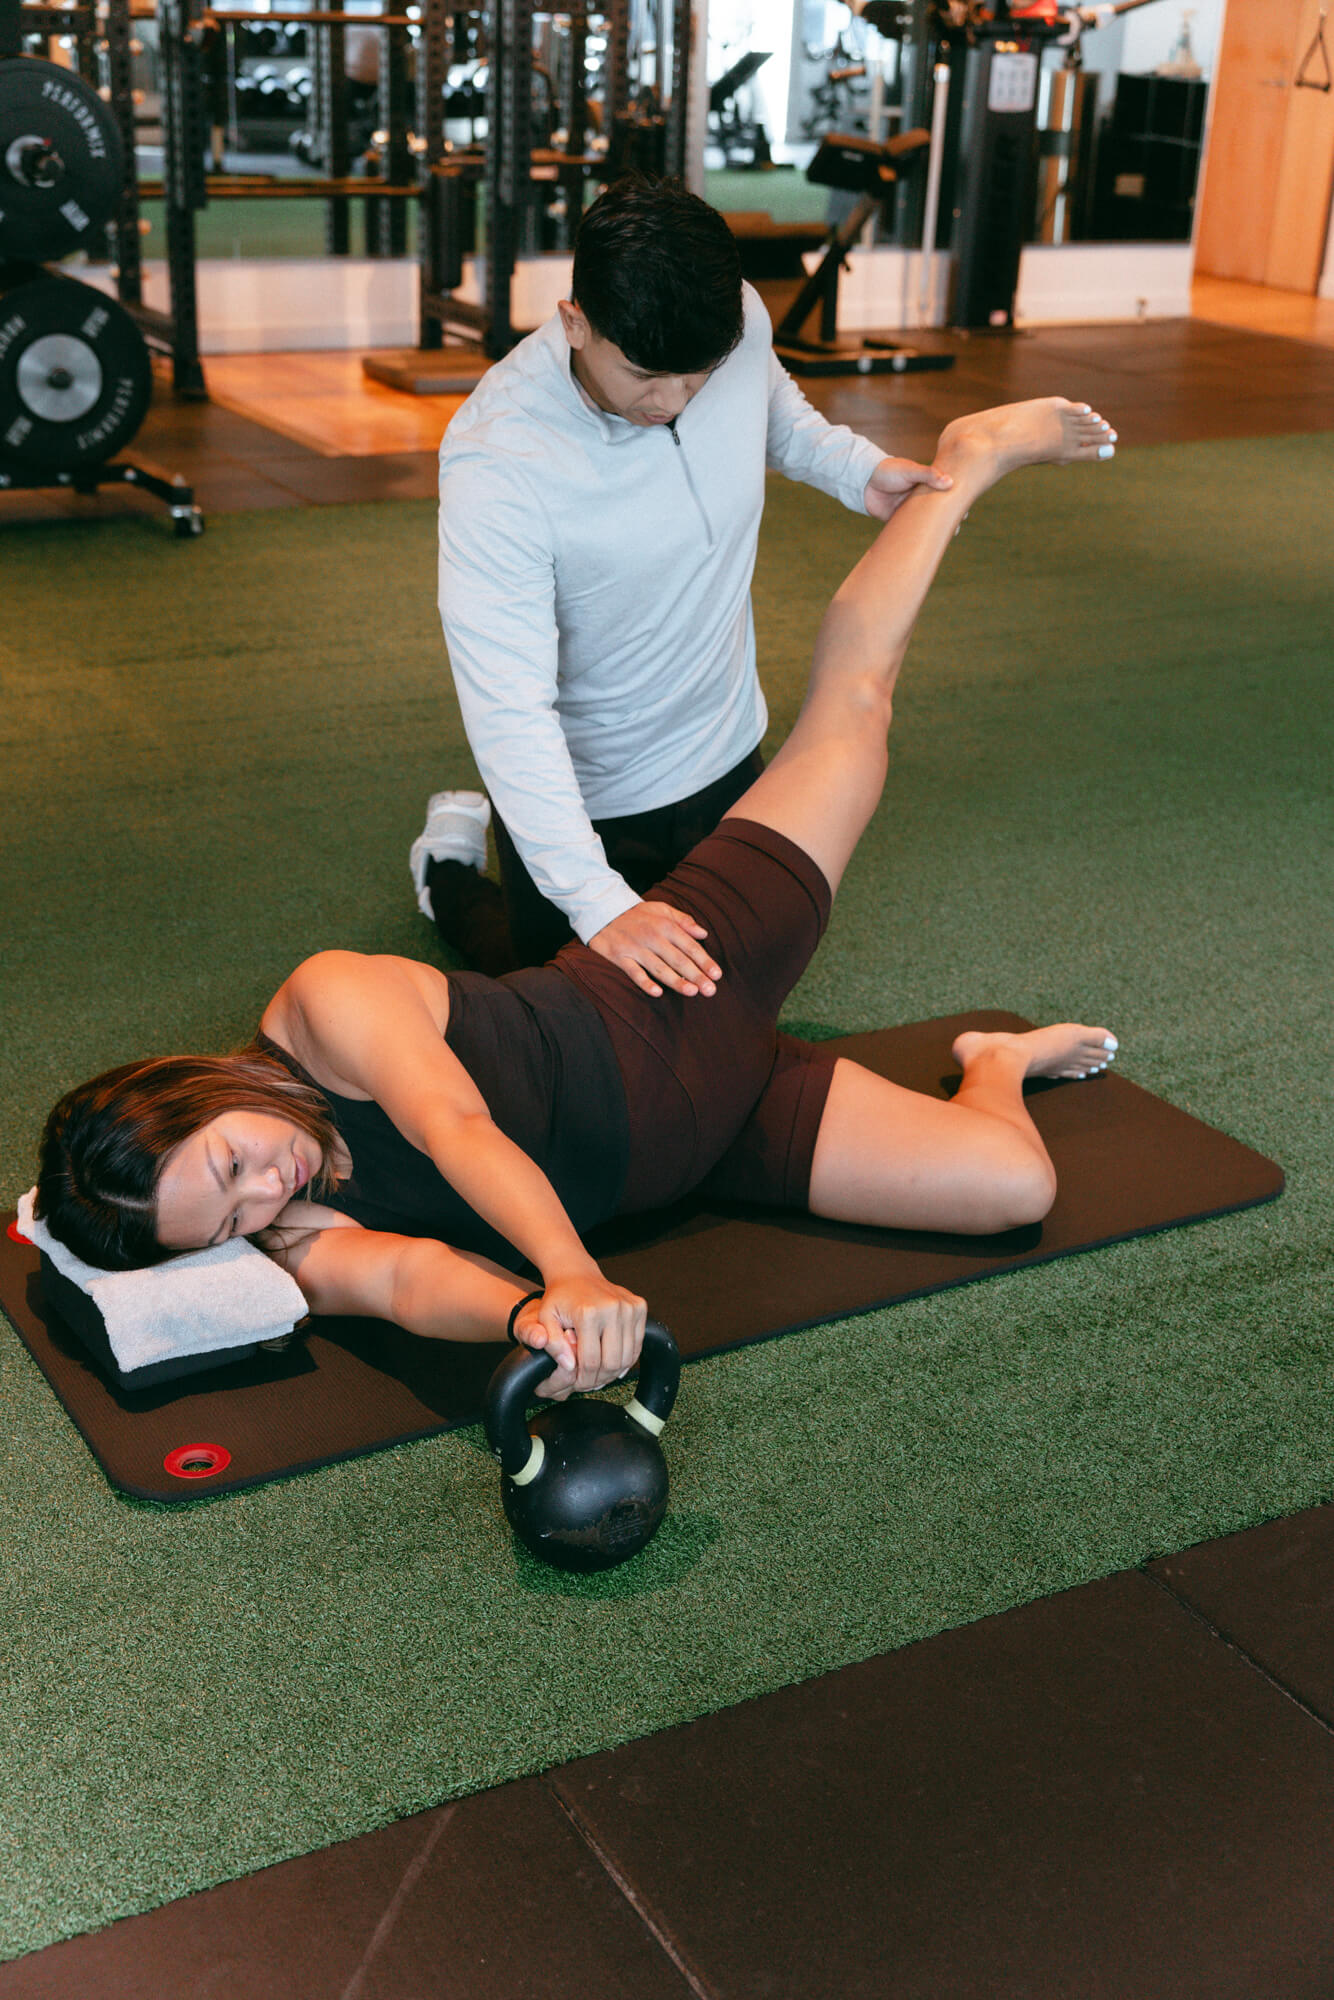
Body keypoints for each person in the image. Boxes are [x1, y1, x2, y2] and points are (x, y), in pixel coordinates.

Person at [37, 396, 1118, 1403]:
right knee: (1012, 1186)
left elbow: (457, 1127)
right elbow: (405, 1277)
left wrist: (570, 1267)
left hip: (667, 998)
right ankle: (995, 1059)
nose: (264, 1191)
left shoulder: (323, 1005)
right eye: (227, 1218)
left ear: (191, 1085)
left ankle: (965, 464)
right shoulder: (280, 1234)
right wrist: (532, 1315)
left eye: (231, 1162)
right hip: (712, 1140)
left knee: (852, 713)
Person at [424, 173, 954, 1002]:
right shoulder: (498, 461)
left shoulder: (733, 322)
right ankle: (449, 877)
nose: (672, 403)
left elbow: (770, 404)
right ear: (574, 321)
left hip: (728, 753)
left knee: (722, 1004)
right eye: (645, 374)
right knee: (567, 1023)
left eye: (696, 376)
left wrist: (859, 471)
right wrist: (598, 900)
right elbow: (508, 709)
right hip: (595, 797)